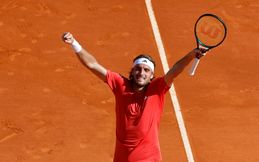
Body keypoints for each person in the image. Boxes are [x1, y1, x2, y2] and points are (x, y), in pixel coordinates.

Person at [62, 32, 205, 162]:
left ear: (151, 76)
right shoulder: (120, 85)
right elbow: (92, 65)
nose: (141, 73)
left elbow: (174, 71)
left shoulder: (157, 89)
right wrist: (74, 43)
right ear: (132, 71)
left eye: (146, 70)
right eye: (138, 69)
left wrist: (191, 55)